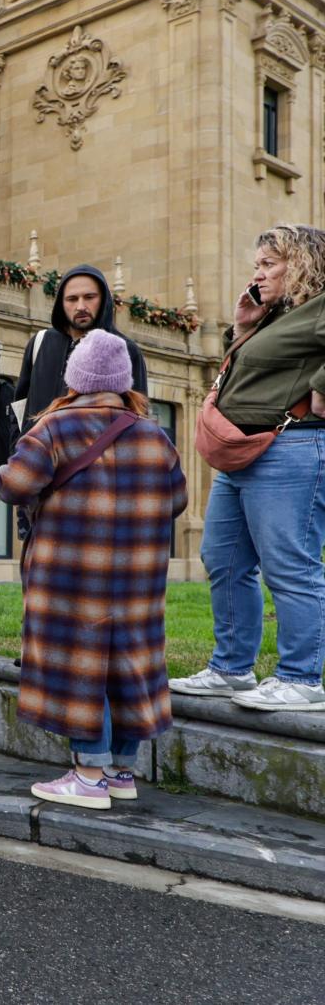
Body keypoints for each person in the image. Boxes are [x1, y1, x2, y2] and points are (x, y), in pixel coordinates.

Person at [0, 330, 186, 807]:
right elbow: (177, 500)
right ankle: (122, 772)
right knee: (128, 664)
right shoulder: (154, 434)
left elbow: (10, 485)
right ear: (124, 382)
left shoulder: (55, 426)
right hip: (137, 577)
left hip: (70, 574)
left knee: (82, 664)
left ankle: (88, 774)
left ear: (74, 378)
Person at [172, 224, 325, 710]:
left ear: (299, 263)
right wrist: (243, 327)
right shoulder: (276, 315)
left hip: (292, 449)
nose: (257, 274)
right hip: (248, 452)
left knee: (290, 564)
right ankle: (232, 669)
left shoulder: (318, 308)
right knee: (224, 558)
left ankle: (303, 679)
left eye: (267, 265)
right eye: (257, 265)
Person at [14, 264, 148, 432]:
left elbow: (137, 415)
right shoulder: (41, 342)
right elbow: (20, 405)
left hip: (93, 456)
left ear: (104, 299)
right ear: (61, 303)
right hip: (35, 455)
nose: (81, 306)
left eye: (89, 297)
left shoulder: (124, 349)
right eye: (72, 299)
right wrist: (17, 446)